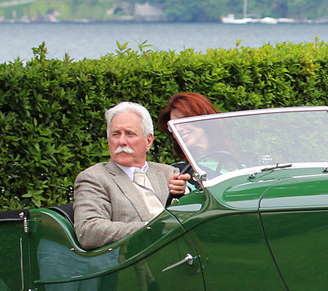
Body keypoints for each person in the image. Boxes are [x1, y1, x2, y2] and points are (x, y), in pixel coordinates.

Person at [72, 101, 191, 249]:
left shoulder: (168, 172)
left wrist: (185, 192)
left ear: (148, 141)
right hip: (135, 260)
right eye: (116, 134)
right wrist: (152, 228)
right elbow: (88, 231)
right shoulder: (94, 178)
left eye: (130, 134)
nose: (122, 141)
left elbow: (191, 216)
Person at [157, 91, 219, 165]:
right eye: (173, 126)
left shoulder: (231, 162)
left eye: (182, 121)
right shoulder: (178, 171)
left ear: (202, 118)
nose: (178, 129)